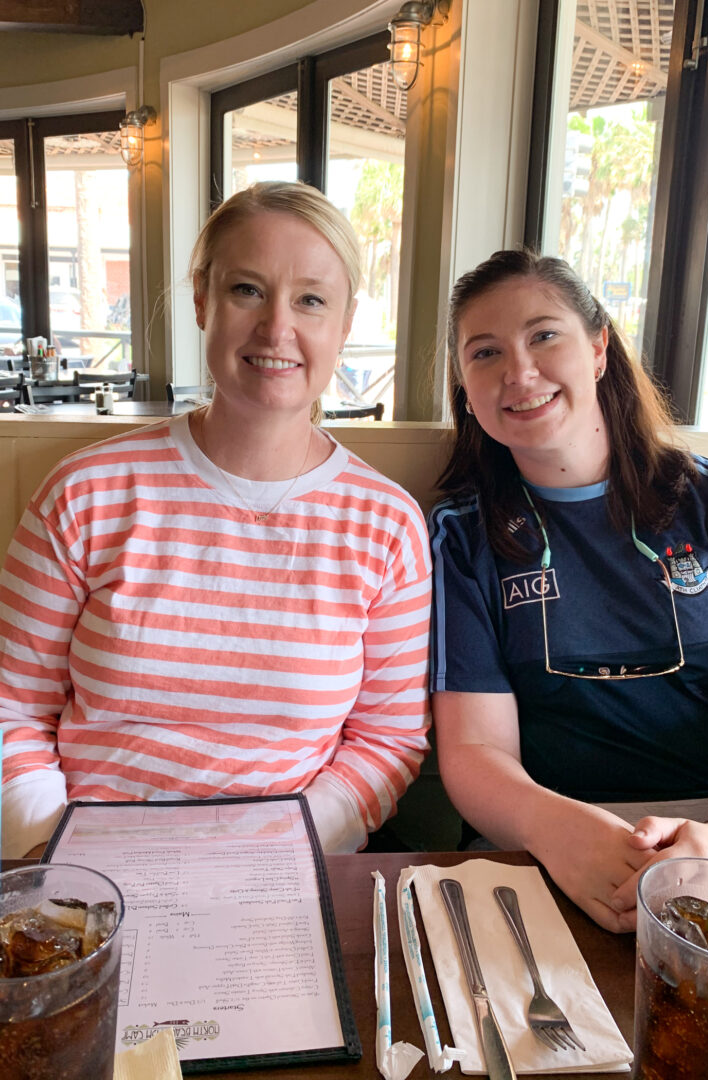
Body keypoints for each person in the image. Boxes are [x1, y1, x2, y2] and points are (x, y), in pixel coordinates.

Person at [0, 181, 431, 859]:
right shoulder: (84, 492)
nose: (276, 329)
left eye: (311, 300)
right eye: (247, 291)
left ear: (344, 325)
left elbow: (386, 738)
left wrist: (285, 848)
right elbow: (12, 708)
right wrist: (50, 858)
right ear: (202, 298)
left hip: (283, 870)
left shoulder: (387, 526)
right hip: (87, 869)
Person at [429, 249, 708, 932]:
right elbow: (474, 750)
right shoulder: (459, 536)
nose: (519, 372)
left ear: (598, 349)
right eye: (485, 353)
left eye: (543, 336)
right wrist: (558, 832)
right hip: (539, 847)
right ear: (466, 387)